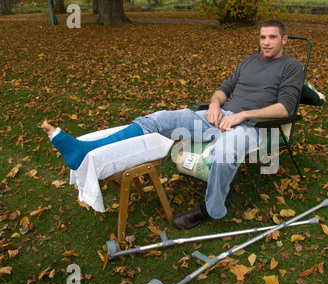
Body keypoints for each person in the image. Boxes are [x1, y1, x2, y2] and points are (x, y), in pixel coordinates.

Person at [42, 20, 304, 230]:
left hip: (252, 126)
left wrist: (242, 115)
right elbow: (224, 89)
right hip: (218, 116)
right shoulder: (249, 60)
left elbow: (284, 108)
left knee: (224, 153)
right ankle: (86, 149)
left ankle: (211, 210)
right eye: (262, 37)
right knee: (160, 118)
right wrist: (214, 105)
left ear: (284, 39)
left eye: (272, 37)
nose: (266, 42)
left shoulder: (291, 67)